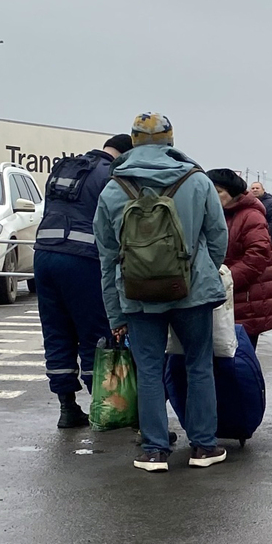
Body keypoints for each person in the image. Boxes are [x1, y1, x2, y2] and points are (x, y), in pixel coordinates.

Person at [94, 112, 229, 472]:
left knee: (149, 369)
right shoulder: (196, 180)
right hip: (192, 293)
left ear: (133, 142)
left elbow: (107, 257)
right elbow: (218, 237)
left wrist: (115, 312)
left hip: (137, 294)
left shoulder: (113, 188)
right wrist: (199, 270)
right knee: (199, 365)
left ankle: (154, 449)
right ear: (171, 140)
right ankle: (203, 446)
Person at [34, 133, 133, 429]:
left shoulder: (66, 167)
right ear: (125, 154)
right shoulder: (110, 175)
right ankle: (102, 406)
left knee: (56, 331)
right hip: (83, 261)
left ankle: (67, 407)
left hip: (45, 255)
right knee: (95, 333)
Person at [209, 170, 272, 349]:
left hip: (247, 300)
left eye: (218, 191)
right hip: (223, 298)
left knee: (239, 361)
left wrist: (225, 279)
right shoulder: (215, 215)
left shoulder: (251, 216)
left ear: (233, 192)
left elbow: (258, 256)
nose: (213, 197)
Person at [248, 181, 272, 245]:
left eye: (257, 188)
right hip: (249, 240)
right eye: (253, 188)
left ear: (263, 190)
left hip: (265, 240)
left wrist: (263, 233)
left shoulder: (271, 204)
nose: (255, 190)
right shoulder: (247, 203)